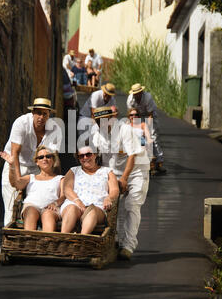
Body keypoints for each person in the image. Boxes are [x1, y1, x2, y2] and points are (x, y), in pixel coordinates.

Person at [91, 106, 150, 260]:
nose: (102, 124)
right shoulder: (97, 135)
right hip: (115, 172)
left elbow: (132, 157)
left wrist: (124, 179)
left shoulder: (125, 130)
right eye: (98, 121)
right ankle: (114, 240)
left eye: (105, 120)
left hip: (137, 171)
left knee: (132, 205)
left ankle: (128, 246)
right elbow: (101, 161)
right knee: (111, 206)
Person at [1, 98, 61, 226]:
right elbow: (15, 152)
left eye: (45, 114)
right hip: (15, 163)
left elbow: (52, 157)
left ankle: (34, 239)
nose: (41, 117)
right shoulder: (21, 123)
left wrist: (57, 180)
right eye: (38, 113)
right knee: (12, 206)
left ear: (49, 115)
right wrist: (17, 179)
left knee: (39, 204)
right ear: (32, 113)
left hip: (37, 167)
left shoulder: (55, 129)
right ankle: (7, 243)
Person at [0, 146, 64, 232]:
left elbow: (64, 196)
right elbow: (15, 184)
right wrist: (12, 166)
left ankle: (47, 242)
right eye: (41, 157)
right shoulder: (31, 177)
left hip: (51, 208)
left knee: (47, 214)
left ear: (53, 160)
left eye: (48, 156)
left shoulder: (60, 178)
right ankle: (29, 241)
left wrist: (55, 203)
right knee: (31, 211)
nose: (44, 159)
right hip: (32, 206)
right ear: (37, 162)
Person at [60, 146, 119, 235]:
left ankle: (82, 240)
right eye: (81, 156)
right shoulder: (73, 171)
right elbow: (67, 189)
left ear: (95, 154)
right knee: (71, 208)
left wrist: (109, 198)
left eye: (88, 154)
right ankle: (63, 239)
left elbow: (115, 190)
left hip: (97, 206)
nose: (85, 158)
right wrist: (78, 202)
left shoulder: (107, 171)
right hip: (74, 203)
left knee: (92, 211)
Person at [127, 83, 166, 174]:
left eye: (139, 93)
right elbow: (131, 114)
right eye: (135, 94)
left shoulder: (148, 97)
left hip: (149, 116)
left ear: (141, 92)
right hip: (137, 115)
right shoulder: (130, 100)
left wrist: (147, 129)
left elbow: (150, 114)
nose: (137, 95)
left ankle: (158, 162)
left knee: (153, 137)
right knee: (138, 136)